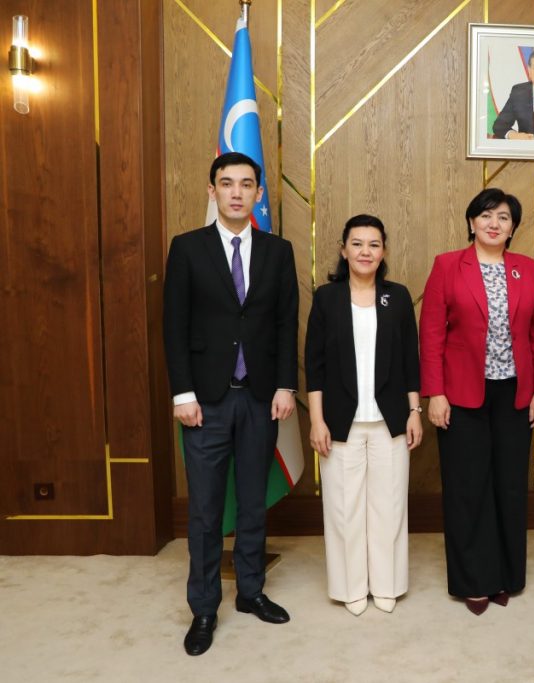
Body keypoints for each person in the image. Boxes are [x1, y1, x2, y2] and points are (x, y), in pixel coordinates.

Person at [163, 152, 298, 656]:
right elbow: (174, 326)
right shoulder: (187, 248)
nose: (236, 192)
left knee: (252, 502)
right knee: (204, 510)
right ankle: (203, 608)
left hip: (261, 398)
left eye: (246, 184)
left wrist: (285, 385)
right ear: (212, 191)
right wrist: (182, 393)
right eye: (227, 183)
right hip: (205, 401)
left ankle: (250, 591)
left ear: (259, 194)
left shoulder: (278, 251)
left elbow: (286, 322)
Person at [419, 187, 534, 615]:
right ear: (471, 222)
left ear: (513, 228)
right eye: (486, 215)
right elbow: (431, 334)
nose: (494, 223)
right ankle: (474, 580)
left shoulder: (527, 269)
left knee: (509, 485)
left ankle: (507, 575)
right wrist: (435, 393)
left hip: (515, 393)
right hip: (461, 394)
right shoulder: (447, 266)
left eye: (504, 217)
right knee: (467, 487)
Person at [305, 214, 422, 617]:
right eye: (357, 244)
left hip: (390, 419)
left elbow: (410, 361)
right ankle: (350, 586)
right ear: (343, 250)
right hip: (340, 420)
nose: (365, 252)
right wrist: (316, 420)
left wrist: (414, 411)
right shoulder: (326, 298)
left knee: (389, 507)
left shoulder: (398, 297)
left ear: (383, 251)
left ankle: (387, 584)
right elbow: (314, 365)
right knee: (344, 508)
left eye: (374, 244)